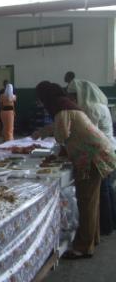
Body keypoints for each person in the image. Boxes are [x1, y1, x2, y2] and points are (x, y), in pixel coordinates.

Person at [34, 81, 116, 259]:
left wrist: (48, 132)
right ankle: (92, 239)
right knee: (91, 202)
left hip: (92, 158)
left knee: (86, 202)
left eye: (41, 99)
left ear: (47, 97)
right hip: (96, 154)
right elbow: (67, 129)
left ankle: (83, 247)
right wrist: (44, 130)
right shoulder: (67, 106)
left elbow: (62, 135)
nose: (41, 103)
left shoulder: (61, 109)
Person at [67, 79, 116, 235]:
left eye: (74, 96)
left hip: (100, 152)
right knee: (107, 188)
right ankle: (110, 223)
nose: (73, 100)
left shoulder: (91, 108)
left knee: (102, 190)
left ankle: (105, 226)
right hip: (108, 148)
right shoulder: (101, 105)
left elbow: (89, 134)